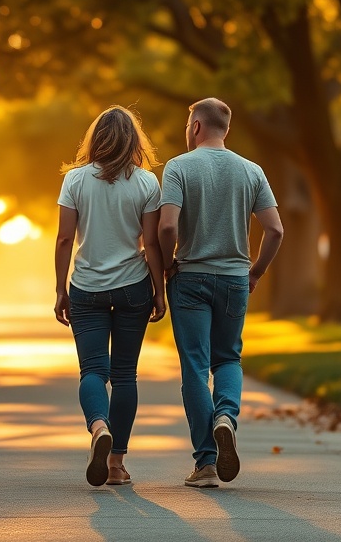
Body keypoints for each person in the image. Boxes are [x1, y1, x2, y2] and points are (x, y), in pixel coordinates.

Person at [158, 97, 284, 488]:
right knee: (228, 358)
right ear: (224, 129)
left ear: (196, 126)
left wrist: (167, 264)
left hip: (190, 277)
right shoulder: (251, 171)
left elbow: (166, 228)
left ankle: (206, 464)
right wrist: (257, 272)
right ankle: (226, 417)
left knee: (195, 366)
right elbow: (275, 230)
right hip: (233, 278)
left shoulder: (179, 167)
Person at [54, 105, 168, 487]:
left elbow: (65, 238)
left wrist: (59, 289)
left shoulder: (75, 180)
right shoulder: (147, 183)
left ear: (95, 138)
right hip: (133, 286)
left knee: (93, 372)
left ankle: (99, 426)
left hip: (86, 287)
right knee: (124, 376)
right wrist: (159, 290)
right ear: (134, 141)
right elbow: (151, 242)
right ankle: (116, 463)